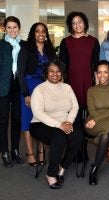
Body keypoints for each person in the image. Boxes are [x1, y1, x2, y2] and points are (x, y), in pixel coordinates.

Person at [30, 59, 82, 189]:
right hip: (40, 123)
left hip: (64, 122)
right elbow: (38, 112)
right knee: (59, 138)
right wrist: (59, 124)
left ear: (62, 73)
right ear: (46, 73)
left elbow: (75, 107)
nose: (55, 74)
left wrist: (69, 122)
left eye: (58, 71)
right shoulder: (39, 89)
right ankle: (51, 174)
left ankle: (62, 167)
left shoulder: (67, 87)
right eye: (51, 71)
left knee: (77, 136)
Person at [18, 22, 55, 166]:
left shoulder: (50, 50)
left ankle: (41, 151)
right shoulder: (26, 48)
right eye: (37, 31)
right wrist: (26, 94)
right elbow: (20, 73)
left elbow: (54, 71)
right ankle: (30, 153)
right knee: (28, 120)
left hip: (45, 88)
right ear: (33, 34)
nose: (40, 34)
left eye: (43, 31)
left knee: (42, 120)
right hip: (29, 87)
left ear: (46, 34)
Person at [59, 11, 100, 129]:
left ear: (85, 23)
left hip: (88, 83)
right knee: (73, 115)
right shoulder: (65, 42)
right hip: (71, 83)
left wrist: (97, 84)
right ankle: (76, 145)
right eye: (74, 23)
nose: (77, 25)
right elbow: (62, 66)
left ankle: (85, 146)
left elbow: (96, 64)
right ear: (71, 26)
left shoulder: (93, 41)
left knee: (88, 116)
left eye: (80, 22)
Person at [0, 16, 25, 168]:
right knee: (3, 120)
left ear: (19, 28)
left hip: (18, 86)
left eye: (15, 27)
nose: (12, 30)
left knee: (17, 119)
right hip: (3, 86)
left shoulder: (23, 46)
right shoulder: (1, 45)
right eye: (9, 27)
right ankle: (4, 152)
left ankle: (15, 150)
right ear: (5, 29)